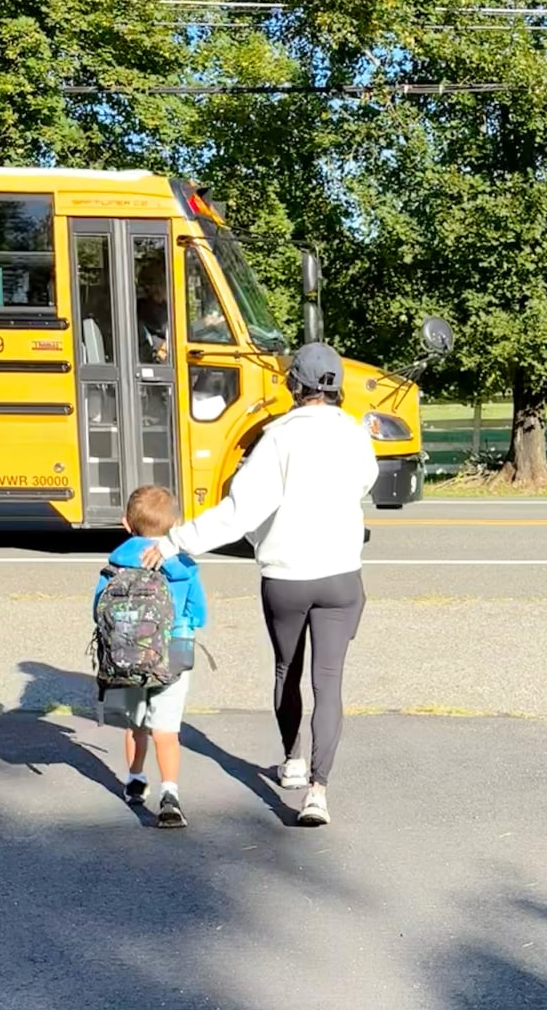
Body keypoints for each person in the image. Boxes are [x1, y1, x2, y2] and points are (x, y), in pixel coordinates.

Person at [142, 343, 379, 826]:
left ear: (295, 385)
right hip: (340, 575)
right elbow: (364, 483)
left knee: (287, 670)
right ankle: (318, 793)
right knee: (328, 681)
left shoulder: (277, 438)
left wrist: (174, 542)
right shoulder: (356, 435)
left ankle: (292, 761)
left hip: (286, 576)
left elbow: (240, 512)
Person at [93, 485, 207, 828]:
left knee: (135, 724)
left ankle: (135, 779)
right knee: (166, 730)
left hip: (127, 653)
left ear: (126, 523)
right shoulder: (184, 566)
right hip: (174, 653)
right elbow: (198, 613)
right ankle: (169, 793)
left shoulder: (114, 564)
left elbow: (97, 610)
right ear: (176, 525)